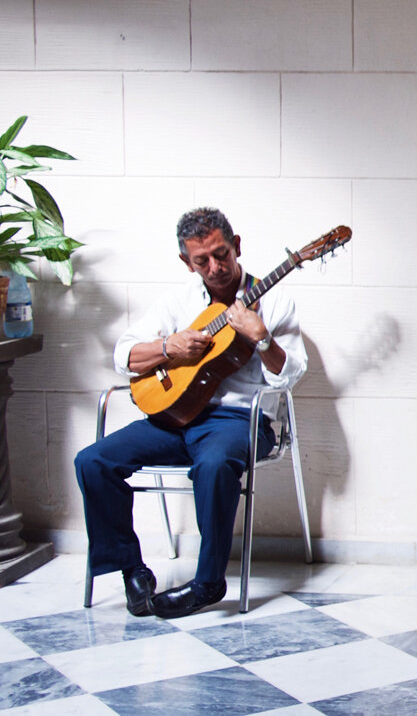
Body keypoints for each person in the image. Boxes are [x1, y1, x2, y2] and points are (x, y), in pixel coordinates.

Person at [74, 208, 307, 618]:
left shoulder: (274, 300)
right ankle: (132, 571)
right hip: (175, 418)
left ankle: (208, 583)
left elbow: (290, 376)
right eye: (202, 260)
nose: (215, 267)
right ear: (187, 262)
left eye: (222, 254)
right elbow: (123, 355)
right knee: (92, 461)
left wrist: (262, 338)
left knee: (215, 465)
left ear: (237, 246)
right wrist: (169, 348)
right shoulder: (177, 302)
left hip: (239, 420)